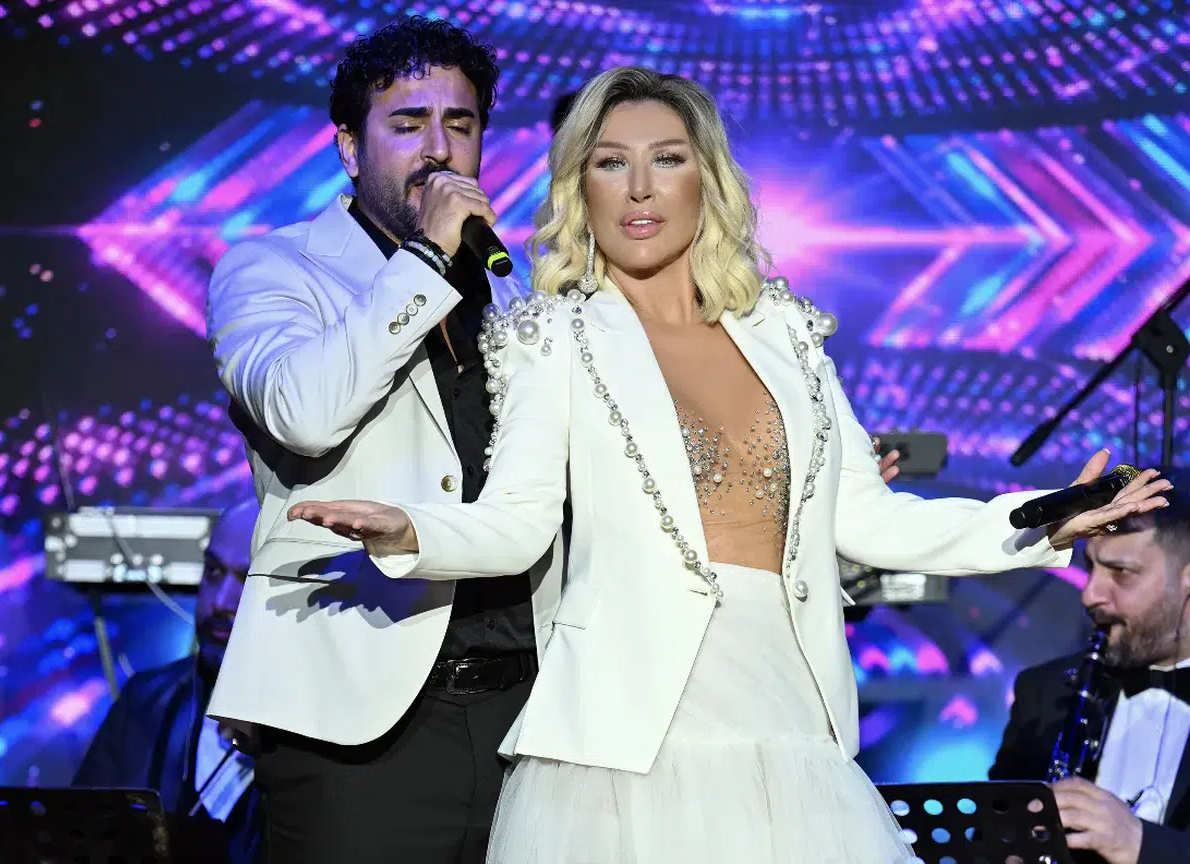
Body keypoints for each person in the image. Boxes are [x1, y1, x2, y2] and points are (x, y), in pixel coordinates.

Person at [288, 66, 1171, 863]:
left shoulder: (784, 333)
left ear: (705, 178)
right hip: (628, 743)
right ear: (579, 186)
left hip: (790, 721)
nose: (640, 189)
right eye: (610, 163)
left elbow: (870, 518)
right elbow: (518, 521)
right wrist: (411, 531)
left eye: (667, 159)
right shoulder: (553, 334)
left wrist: (1042, 516)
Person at [203, 16, 565, 864]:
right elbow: (303, 412)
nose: (439, 150)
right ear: (348, 147)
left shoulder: (513, 287)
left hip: (524, 706)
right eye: (408, 124)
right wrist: (427, 256)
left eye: (460, 124)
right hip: (355, 717)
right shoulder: (273, 268)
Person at [991, 482, 1190, 864]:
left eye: (1121, 572)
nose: (1090, 595)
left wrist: (1137, 842)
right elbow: (992, 833)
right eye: (1091, 567)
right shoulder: (1045, 692)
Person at [73, 498, 261, 864]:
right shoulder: (144, 701)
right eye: (213, 572)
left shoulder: (328, 730)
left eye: (249, 579)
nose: (221, 602)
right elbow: (77, 840)